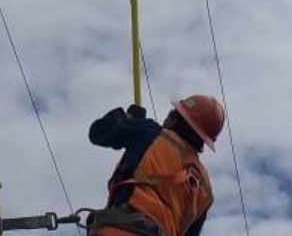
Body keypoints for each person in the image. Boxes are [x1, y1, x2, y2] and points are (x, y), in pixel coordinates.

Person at [87, 94, 225, 236]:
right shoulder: (205, 190)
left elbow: (99, 132)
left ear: (175, 117)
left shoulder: (150, 133)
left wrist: (128, 119)